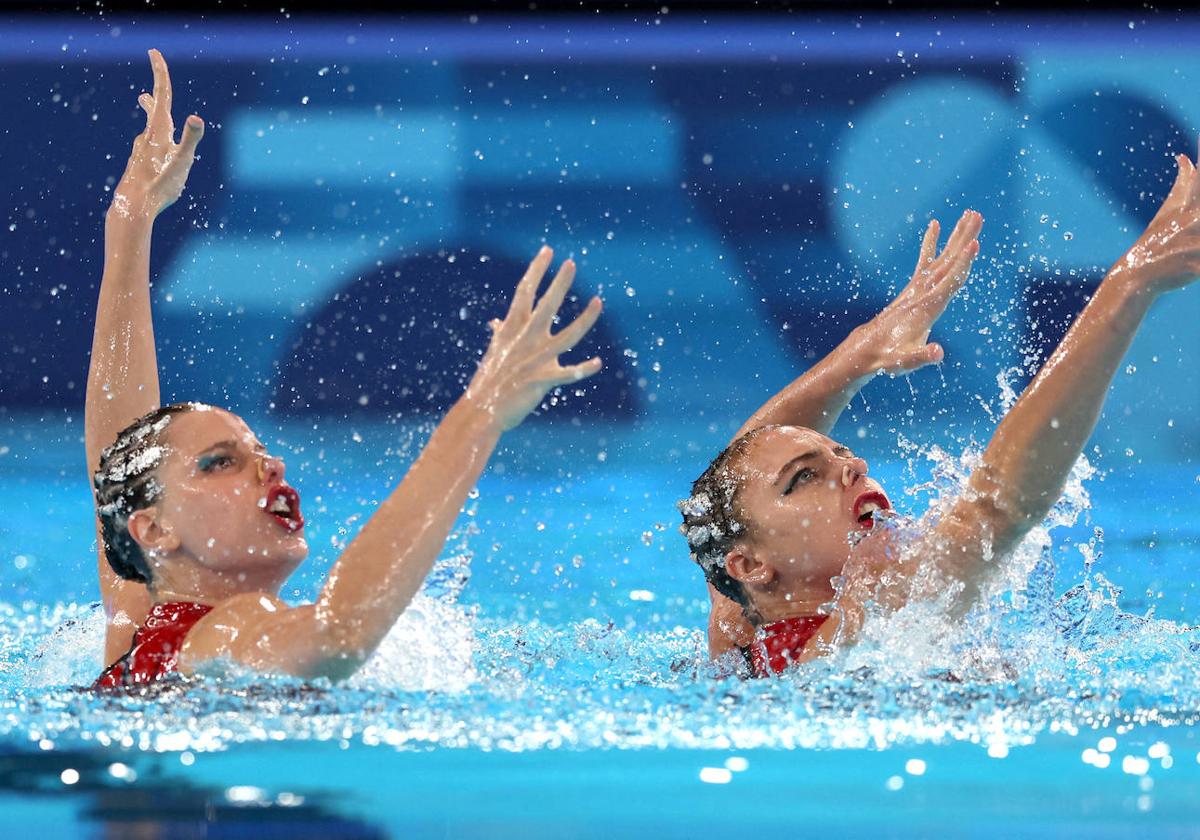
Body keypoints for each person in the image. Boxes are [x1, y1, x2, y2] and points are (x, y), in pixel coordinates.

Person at [89, 50, 603, 688]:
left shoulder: (140, 624)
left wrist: (131, 224)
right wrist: (480, 413)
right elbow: (338, 636)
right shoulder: (227, 629)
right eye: (220, 461)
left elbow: (120, 464)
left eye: (258, 452)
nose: (270, 466)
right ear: (156, 531)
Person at [682, 148, 1200, 677]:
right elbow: (999, 507)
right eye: (805, 478)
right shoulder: (865, 620)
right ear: (750, 567)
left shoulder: (740, 634)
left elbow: (724, 498)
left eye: (841, 455)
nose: (852, 467)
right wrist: (1130, 285)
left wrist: (859, 353)